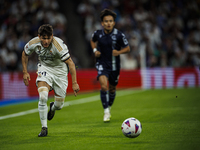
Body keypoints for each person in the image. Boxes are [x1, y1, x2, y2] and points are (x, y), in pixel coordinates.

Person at [21, 24, 80, 137]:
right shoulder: (34, 43)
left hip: (60, 72)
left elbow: (71, 64)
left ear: (52, 36)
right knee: (43, 96)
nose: (46, 41)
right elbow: (24, 54)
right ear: (39, 36)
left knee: (59, 105)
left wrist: (74, 83)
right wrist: (25, 72)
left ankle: (53, 107)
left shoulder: (59, 45)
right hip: (45, 68)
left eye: (49, 38)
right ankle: (44, 128)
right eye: (44, 38)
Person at [90, 9, 130, 122]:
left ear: (114, 23)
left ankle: (109, 106)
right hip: (102, 63)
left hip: (115, 66)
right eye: (106, 21)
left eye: (111, 21)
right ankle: (106, 111)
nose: (108, 23)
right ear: (102, 23)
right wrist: (94, 50)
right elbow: (92, 40)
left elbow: (127, 48)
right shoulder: (97, 34)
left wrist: (119, 52)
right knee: (103, 86)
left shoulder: (119, 35)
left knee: (112, 89)